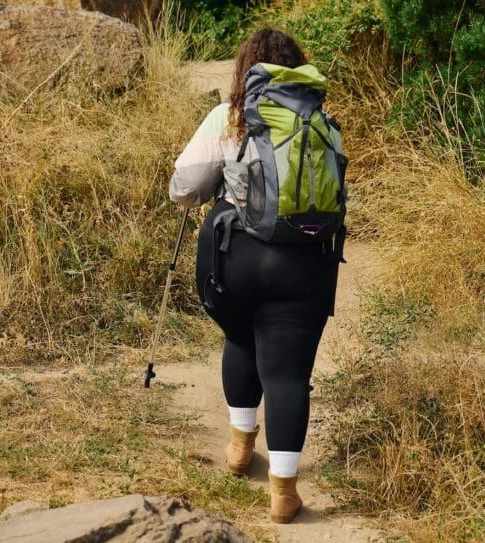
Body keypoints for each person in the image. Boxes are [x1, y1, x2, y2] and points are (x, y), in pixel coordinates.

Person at [168, 28, 339, 524]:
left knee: (241, 339)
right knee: (288, 373)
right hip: (306, 263)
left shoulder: (230, 115)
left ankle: (241, 450)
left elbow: (185, 188)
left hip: (236, 260)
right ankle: (284, 493)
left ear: (245, 69)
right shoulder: (322, 121)